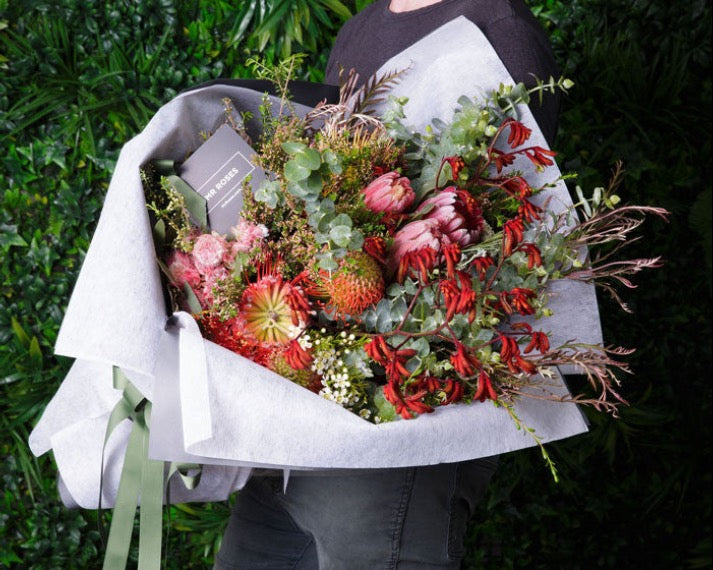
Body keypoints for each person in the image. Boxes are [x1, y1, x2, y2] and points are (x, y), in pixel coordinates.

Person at [215, 1, 560, 568]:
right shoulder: (360, 29)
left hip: (398, 433)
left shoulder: (497, 31)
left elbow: (497, 250)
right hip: (296, 423)